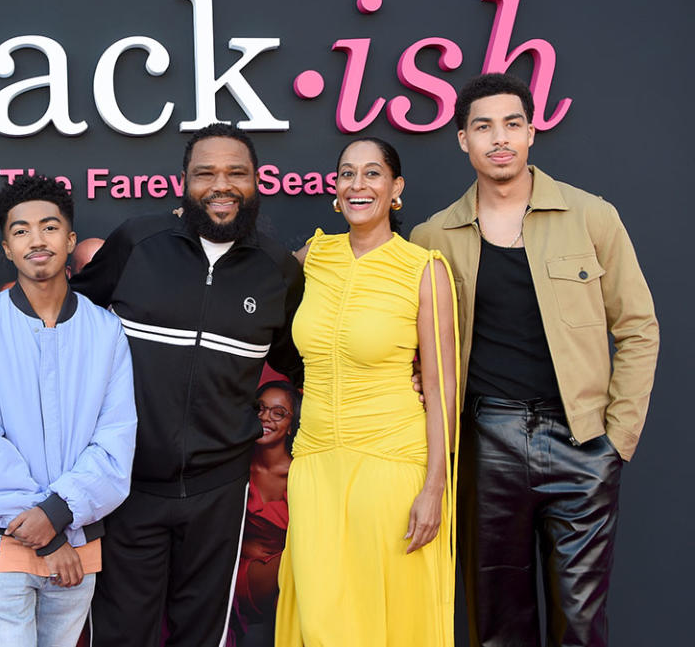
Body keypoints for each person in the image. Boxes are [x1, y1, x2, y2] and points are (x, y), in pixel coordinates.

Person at [410, 73, 659, 647]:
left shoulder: (593, 216)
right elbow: (410, 345)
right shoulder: (433, 236)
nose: (499, 138)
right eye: (483, 127)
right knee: (496, 624)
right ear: (462, 140)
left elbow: (639, 328)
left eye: (512, 124)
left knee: (580, 622)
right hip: (485, 445)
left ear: (531, 133)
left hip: (581, 443)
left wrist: (616, 439)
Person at [70, 123, 304, 647]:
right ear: (184, 182)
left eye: (235, 173)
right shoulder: (137, 243)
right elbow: (65, 327)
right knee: (121, 636)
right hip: (126, 486)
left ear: (257, 181)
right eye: (206, 173)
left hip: (219, 491)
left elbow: (301, 362)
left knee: (201, 637)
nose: (221, 185)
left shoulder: (278, 272)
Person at [276, 137, 459, 647]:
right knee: (322, 619)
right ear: (335, 190)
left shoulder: (424, 270)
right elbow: (246, 295)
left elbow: (443, 385)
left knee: (387, 621)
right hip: (315, 465)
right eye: (347, 174)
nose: (358, 185)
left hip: (393, 466)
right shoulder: (313, 257)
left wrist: (435, 488)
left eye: (373, 173)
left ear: (395, 188)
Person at [0, 175, 137, 647]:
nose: (37, 239)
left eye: (50, 227)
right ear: (7, 248)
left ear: (70, 241)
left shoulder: (105, 331)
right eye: (21, 230)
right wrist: (48, 536)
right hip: (4, 538)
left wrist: (58, 512)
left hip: (77, 538)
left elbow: (115, 442)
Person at [228, 381, 301, 647]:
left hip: (285, 579)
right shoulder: (236, 464)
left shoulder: (301, 473)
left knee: (298, 561)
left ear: (291, 425)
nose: (265, 417)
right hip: (235, 572)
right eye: (260, 409)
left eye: (278, 412)